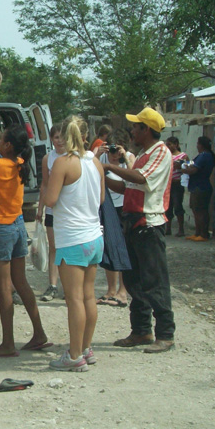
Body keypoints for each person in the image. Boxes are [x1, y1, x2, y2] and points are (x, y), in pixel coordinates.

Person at [0, 124, 51, 357]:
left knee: (3, 288)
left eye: (1, 140)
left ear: (7, 145)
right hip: (17, 226)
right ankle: (39, 334)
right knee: (20, 282)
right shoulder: (20, 164)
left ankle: (8, 343)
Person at [103, 107, 175, 354]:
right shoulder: (144, 154)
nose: (132, 130)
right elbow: (128, 188)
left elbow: (140, 179)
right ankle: (141, 330)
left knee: (155, 281)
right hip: (134, 222)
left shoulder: (160, 153)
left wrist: (109, 169)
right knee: (134, 281)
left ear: (146, 129)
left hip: (149, 225)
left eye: (136, 126)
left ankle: (165, 334)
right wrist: (101, 177)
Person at [43, 116, 105, 372]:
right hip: (94, 236)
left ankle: (74, 354)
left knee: (74, 300)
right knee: (88, 296)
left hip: (72, 238)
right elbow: (100, 199)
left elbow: (51, 199)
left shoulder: (62, 163)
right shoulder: (95, 163)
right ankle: (86, 348)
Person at [94, 130, 134, 308]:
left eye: (117, 150)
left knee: (124, 248)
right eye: (111, 150)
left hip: (125, 207)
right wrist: (96, 153)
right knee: (108, 246)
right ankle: (111, 290)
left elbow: (135, 179)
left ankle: (123, 291)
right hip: (106, 206)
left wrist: (125, 158)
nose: (114, 154)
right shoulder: (101, 159)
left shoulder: (129, 158)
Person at [37, 124, 65, 301]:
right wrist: (40, 208)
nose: (60, 140)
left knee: (67, 247)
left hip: (68, 211)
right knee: (53, 247)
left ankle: (68, 285)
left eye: (63, 137)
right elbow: (45, 185)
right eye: (56, 137)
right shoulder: (48, 158)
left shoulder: (74, 158)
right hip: (52, 211)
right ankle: (53, 285)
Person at [184, 136, 215, 242]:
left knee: (200, 211)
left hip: (200, 187)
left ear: (201, 145)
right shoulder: (201, 156)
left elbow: (193, 169)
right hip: (197, 186)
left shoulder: (205, 156)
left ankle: (203, 234)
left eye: (198, 144)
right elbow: (192, 163)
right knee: (195, 210)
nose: (197, 146)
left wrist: (182, 169)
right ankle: (198, 233)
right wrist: (183, 163)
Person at [164, 137, 188, 237]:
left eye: (169, 144)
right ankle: (168, 229)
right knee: (168, 207)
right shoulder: (167, 156)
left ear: (176, 144)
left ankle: (181, 229)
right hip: (168, 184)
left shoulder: (183, 156)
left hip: (177, 184)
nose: (168, 146)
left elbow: (188, 169)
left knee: (178, 206)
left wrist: (181, 166)